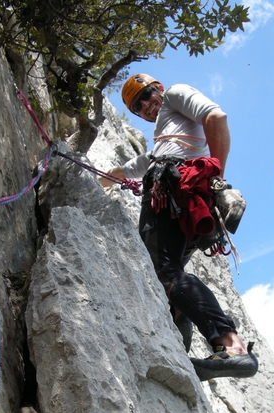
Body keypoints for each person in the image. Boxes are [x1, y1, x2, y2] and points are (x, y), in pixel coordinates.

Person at [100, 73, 257, 381]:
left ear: (158, 88)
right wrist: (98, 176)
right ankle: (179, 329)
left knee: (163, 270)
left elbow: (215, 117)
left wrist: (216, 179)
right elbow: (133, 167)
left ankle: (231, 345)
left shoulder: (174, 94)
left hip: (172, 191)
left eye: (147, 95)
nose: (145, 106)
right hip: (182, 199)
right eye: (137, 107)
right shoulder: (164, 138)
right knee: (168, 273)